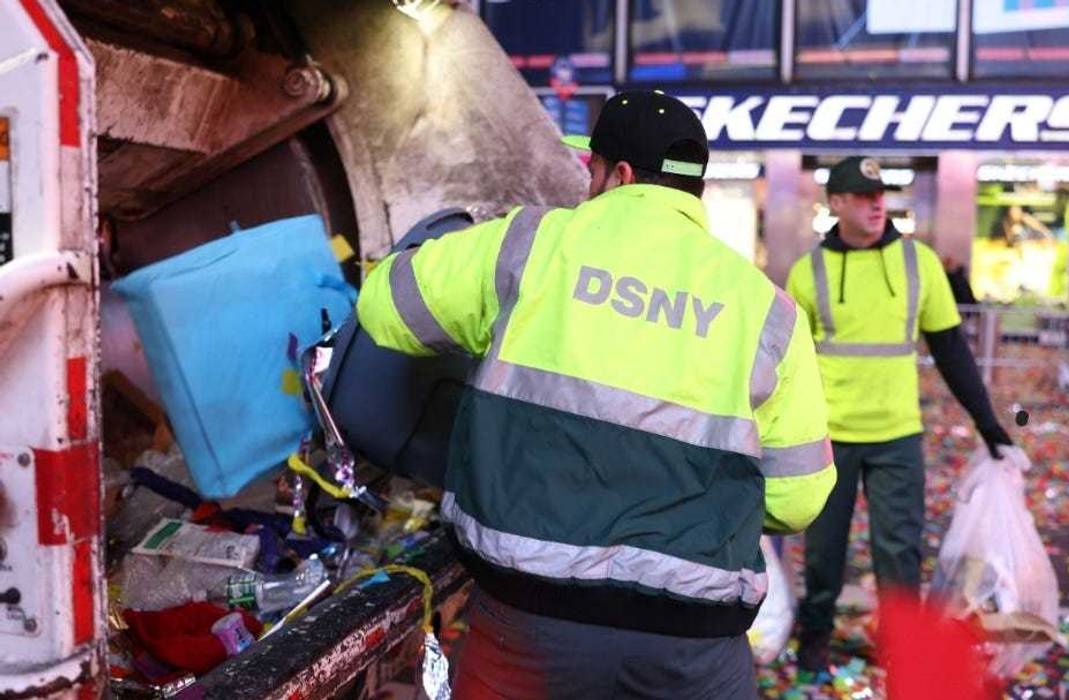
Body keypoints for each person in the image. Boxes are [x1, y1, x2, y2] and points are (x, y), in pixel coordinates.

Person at [356, 90, 837, 699]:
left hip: (530, 631)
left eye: (591, 171)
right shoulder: (767, 310)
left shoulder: (529, 246)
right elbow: (799, 499)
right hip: (695, 647)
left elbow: (386, 307)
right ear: (692, 190)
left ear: (620, 174)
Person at [785, 156, 1013, 672]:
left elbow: (951, 348)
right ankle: (814, 637)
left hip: (896, 437)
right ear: (835, 204)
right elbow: (790, 361)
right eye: (862, 197)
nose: (876, 204)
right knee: (823, 554)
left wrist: (989, 424)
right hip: (828, 439)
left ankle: (903, 647)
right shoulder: (808, 271)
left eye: (880, 194)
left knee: (899, 556)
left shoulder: (919, 263)